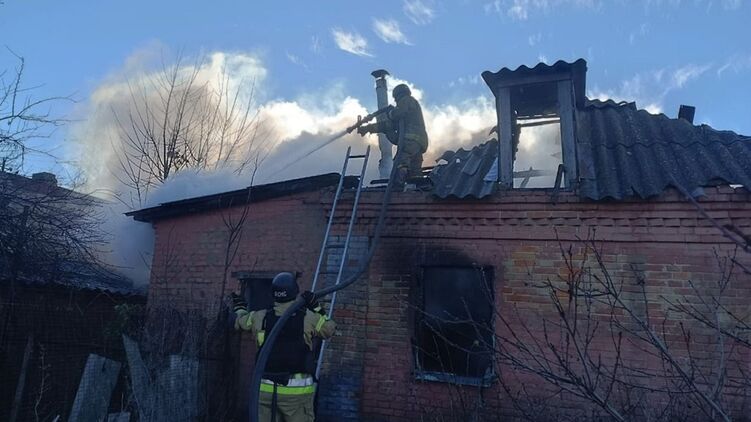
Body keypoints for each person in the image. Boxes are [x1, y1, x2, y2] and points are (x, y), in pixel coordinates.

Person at [231, 272, 336, 422]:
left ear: (273, 293)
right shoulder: (308, 317)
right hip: (297, 395)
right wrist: (317, 307)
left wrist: (239, 305)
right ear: (295, 291)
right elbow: (330, 329)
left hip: (265, 391)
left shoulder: (260, 317)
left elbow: (239, 321)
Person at [357, 83, 429, 188]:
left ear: (398, 95)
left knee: (400, 163)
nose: (396, 101)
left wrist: (390, 113)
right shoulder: (409, 113)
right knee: (415, 168)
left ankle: (397, 186)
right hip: (419, 143)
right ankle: (418, 188)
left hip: (409, 140)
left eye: (395, 98)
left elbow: (398, 113)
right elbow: (388, 125)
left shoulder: (407, 100)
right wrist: (368, 128)